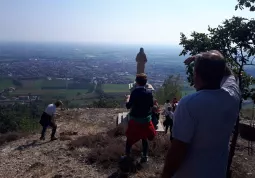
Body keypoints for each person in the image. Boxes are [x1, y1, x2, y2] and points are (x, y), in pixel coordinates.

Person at [162, 50, 240, 178]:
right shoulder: (233, 96)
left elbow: (178, 149)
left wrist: (165, 175)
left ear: (196, 75)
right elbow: (228, 73)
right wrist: (207, 60)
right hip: (218, 172)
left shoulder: (189, 104)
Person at [124, 73, 156, 163]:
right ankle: (145, 156)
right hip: (146, 119)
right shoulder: (149, 93)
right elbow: (151, 105)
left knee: (130, 138)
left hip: (135, 120)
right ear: (145, 82)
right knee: (144, 138)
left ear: (137, 82)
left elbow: (128, 106)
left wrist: (127, 98)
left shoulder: (134, 92)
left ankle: (127, 156)